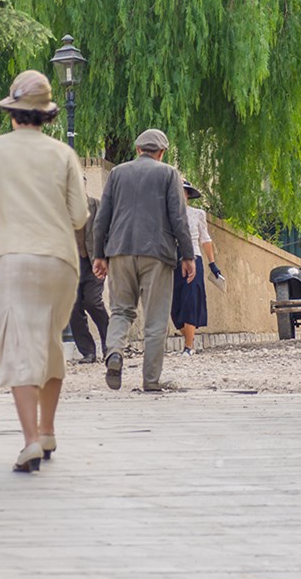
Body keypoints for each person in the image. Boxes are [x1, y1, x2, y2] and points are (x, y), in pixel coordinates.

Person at [0, 70, 88, 473]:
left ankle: (30, 440)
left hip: (10, 259)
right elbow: (80, 216)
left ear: (13, 111)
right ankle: (47, 430)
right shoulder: (64, 154)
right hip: (60, 262)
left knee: (20, 344)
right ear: (47, 115)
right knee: (48, 341)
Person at [90, 128, 193, 393]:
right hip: (157, 253)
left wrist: (99, 255)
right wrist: (188, 255)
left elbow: (102, 217)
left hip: (120, 251)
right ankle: (150, 380)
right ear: (161, 153)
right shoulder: (169, 174)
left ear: (137, 149)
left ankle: (114, 352)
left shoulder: (116, 173)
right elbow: (178, 218)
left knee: (122, 310)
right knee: (156, 319)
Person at [169, 179, 223, 355]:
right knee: (174, 304)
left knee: (190, 300)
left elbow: (205, 239)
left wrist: (212, 264)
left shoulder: (197, 214)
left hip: (194, 256)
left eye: (183, 191)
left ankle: (188, 346)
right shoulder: (165, 213)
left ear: (188, 195)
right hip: (171, 259)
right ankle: (189, 338)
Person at [66, 210, 109, 365]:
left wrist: (106, 257)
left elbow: (107, 231)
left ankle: (110, 344)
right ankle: (88, 351)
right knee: (73, 307)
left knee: (93, 301)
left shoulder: (97, 206)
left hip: (94, 262)